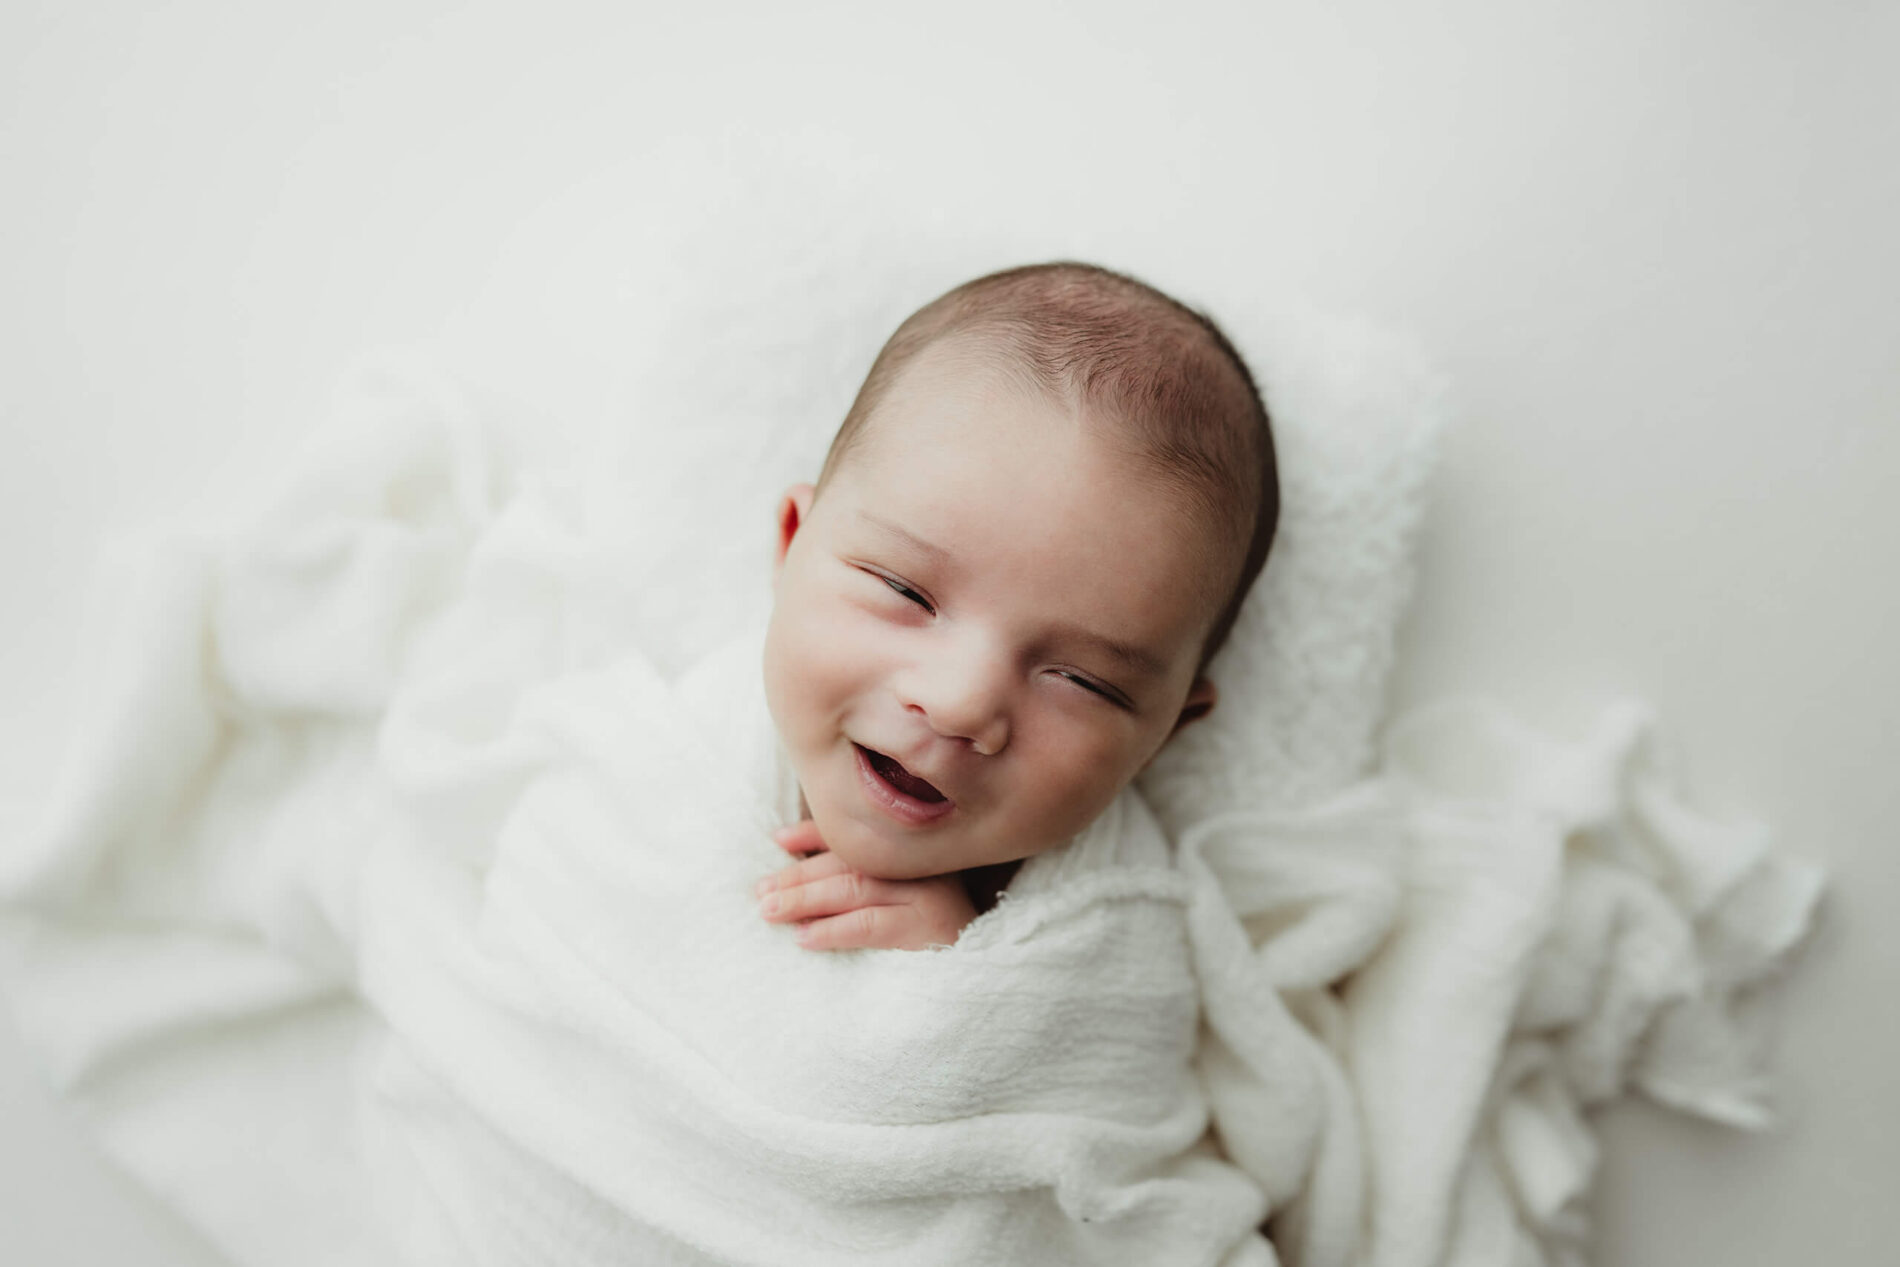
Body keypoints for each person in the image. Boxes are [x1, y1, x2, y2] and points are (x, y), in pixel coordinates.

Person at [752, 260, 1280, 951]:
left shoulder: (1107, 926)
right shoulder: (660, 754)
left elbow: (1125, 1028)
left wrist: (958, 971)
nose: (959, 704)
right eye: (905, 591)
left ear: (1166, 732)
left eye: (1081, 680)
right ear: (793, 543)